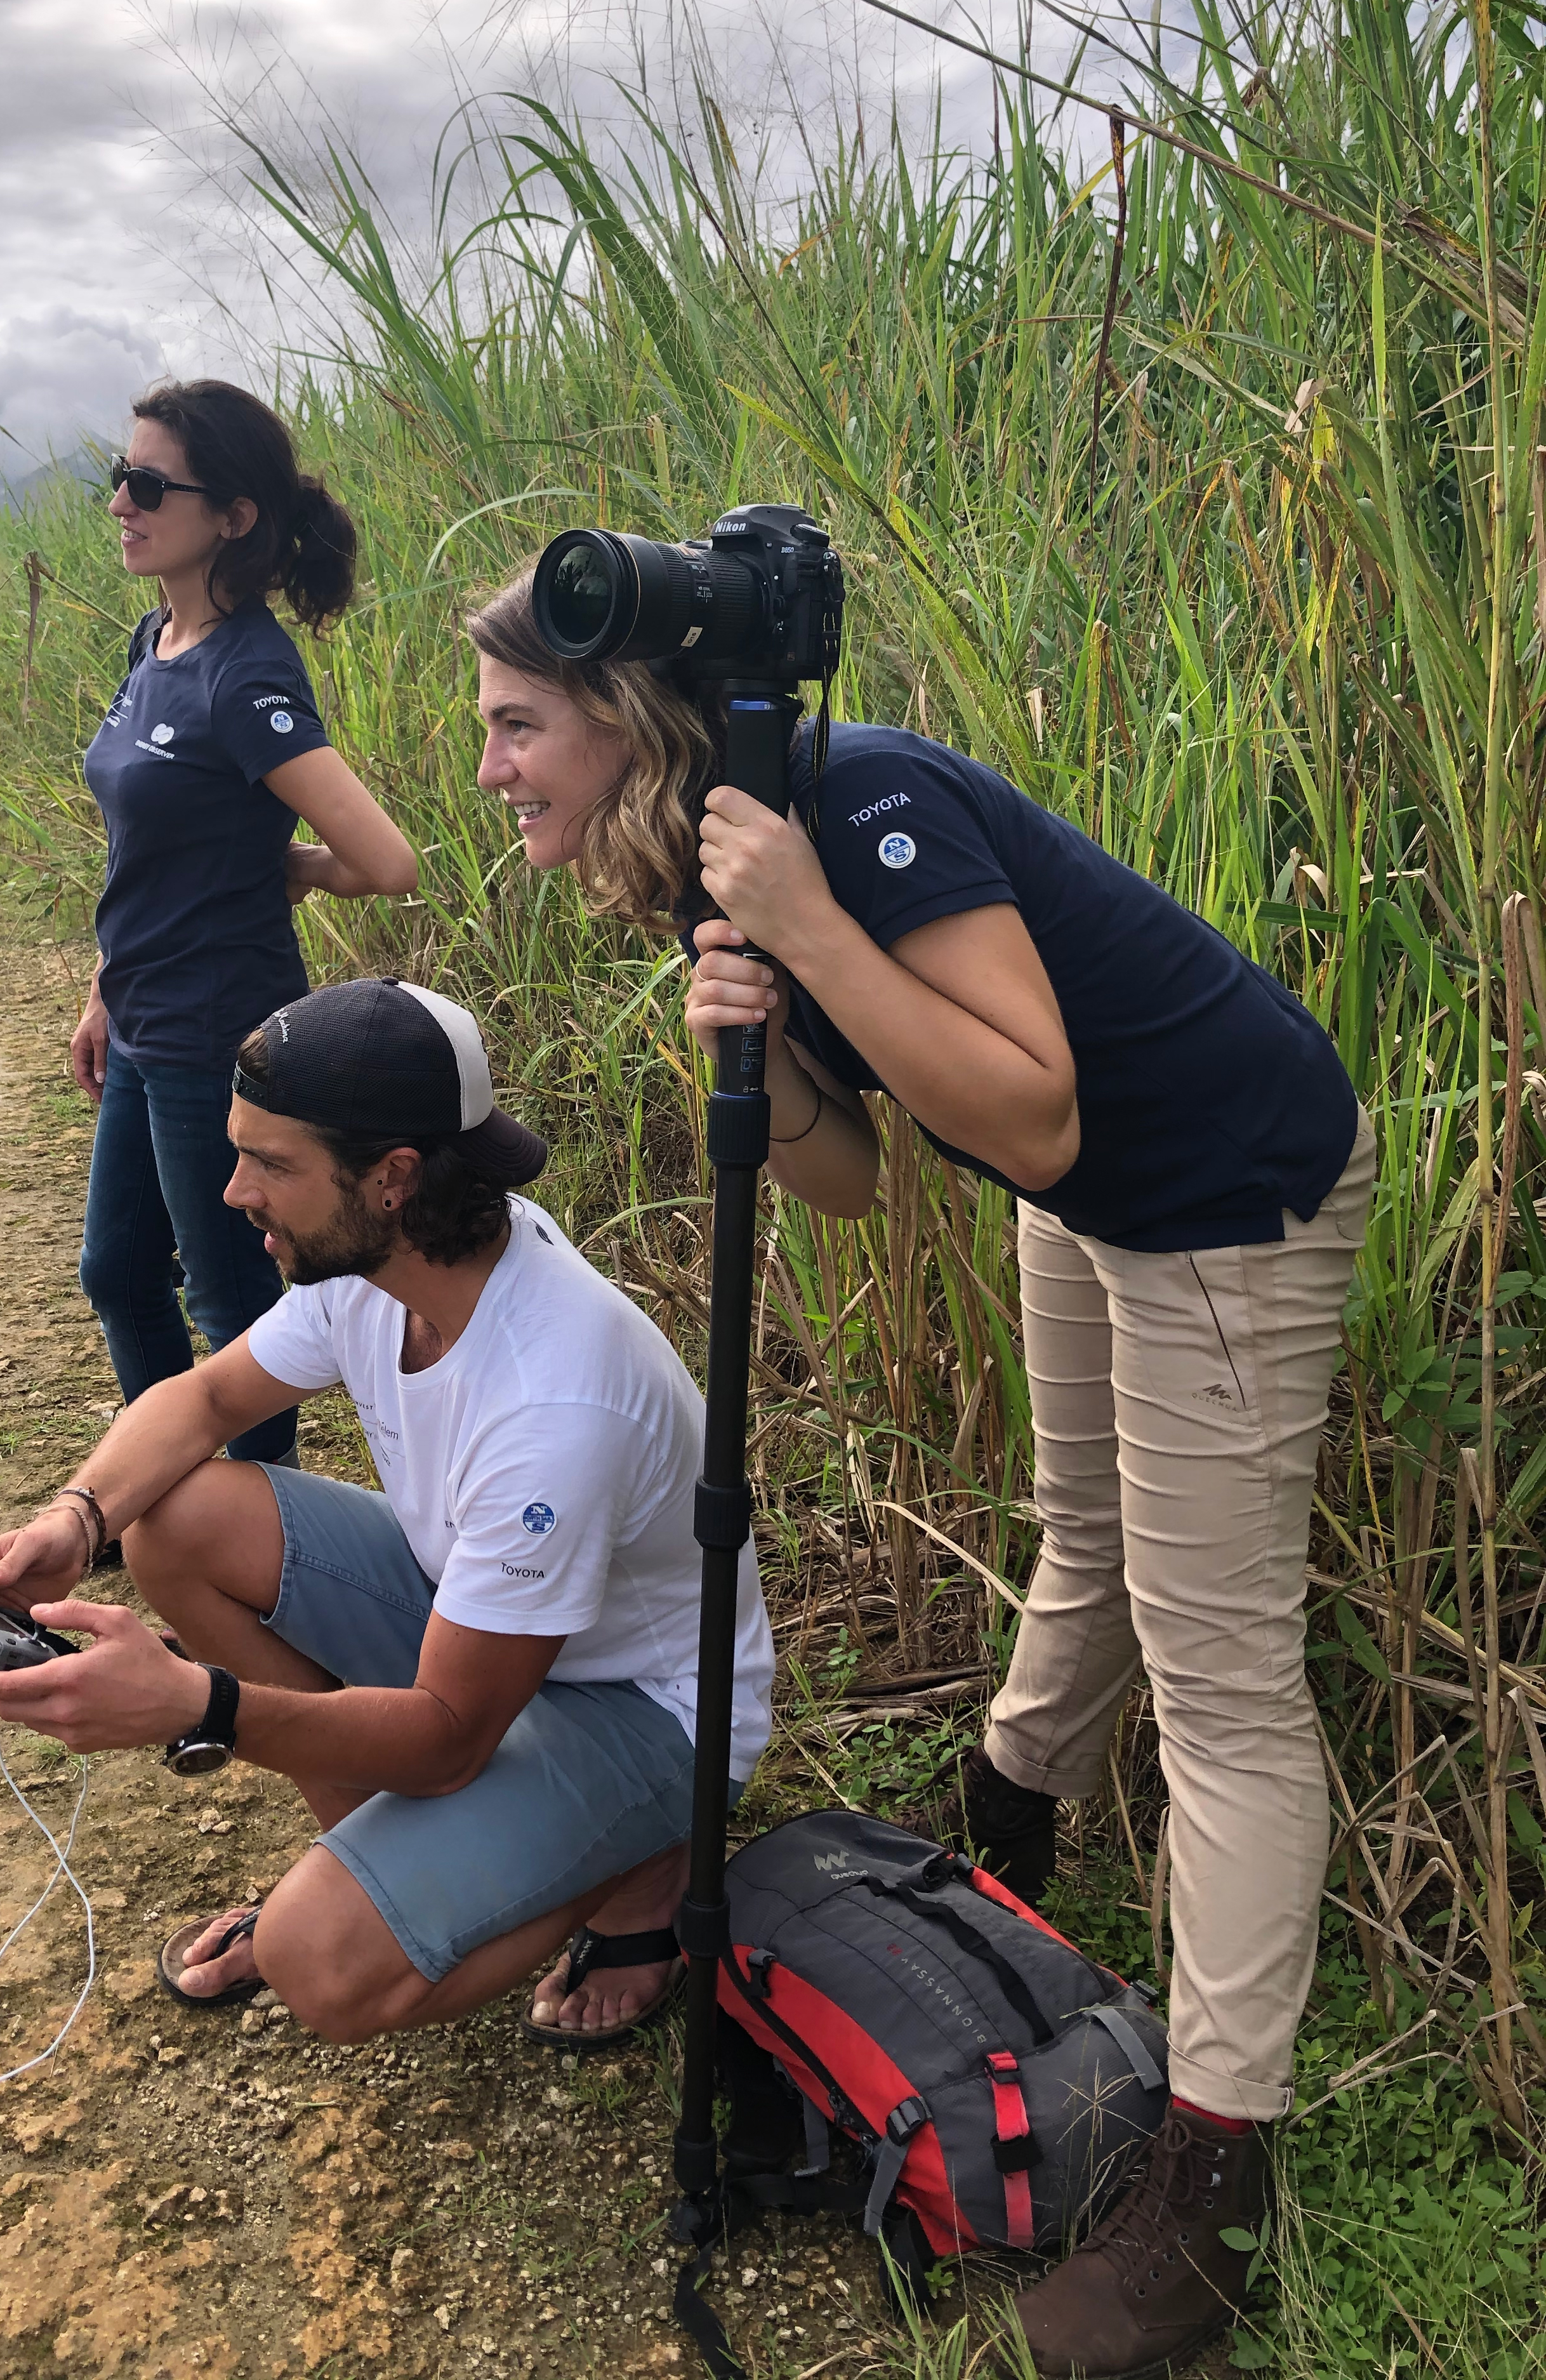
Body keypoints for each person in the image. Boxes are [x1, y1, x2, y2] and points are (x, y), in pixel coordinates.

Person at [466, 566, 1372, 2379]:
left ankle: (1217, 2177)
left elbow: (1026, 1102)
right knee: (1088, 1530)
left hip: (1222, 1189)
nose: (488, 769)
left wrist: (813, 924)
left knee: (1226, 1680)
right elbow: (847, 1177)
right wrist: (755, 1043)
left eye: (514, 726)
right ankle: (1018, 1824)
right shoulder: (714, 851)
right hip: (1096, 1190)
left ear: (624, 719)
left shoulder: (859, 807)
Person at [0, 977, 776, 2049]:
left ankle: (638, 1877)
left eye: (271, 1165)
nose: (235, 1190)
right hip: (480, 1625)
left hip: (647, 1710)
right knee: (174, 1517)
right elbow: (203, 1399)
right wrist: (75, 1521)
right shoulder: (385, 1258)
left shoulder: (553, 1403)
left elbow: (449, 1739)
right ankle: (385, 1857)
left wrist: (199, 1704)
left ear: (392, 1178)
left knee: (319, 1964)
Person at [73, 380, 418, 1468]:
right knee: (119, 1272)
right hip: (141, 1015)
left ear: (233, 516)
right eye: (117, 478)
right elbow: (148, 847)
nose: (121, 503)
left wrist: (296, 869)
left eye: (146, 484)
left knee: (230, 1307)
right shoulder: (154, 642)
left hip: (214, 1030)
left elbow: (386, 859)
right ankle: (171, 1482)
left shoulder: (246, 673)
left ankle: (256, 1537)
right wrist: (101, 989)